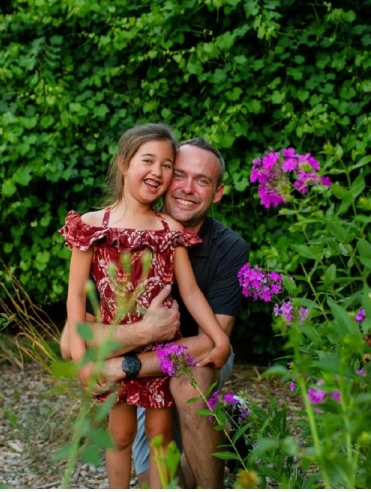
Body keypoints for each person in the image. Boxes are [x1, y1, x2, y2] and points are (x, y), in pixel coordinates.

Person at [61, 137, 249, 488]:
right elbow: (71, 335)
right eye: (178, 173)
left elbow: (204, 329)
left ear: (218, 192)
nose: (186, 187)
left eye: (203, 181)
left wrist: (119, 365)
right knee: (127, 444)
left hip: (178, 369)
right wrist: (143, 334)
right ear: (124, 164)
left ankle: (222, 441)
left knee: (178, 407)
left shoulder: (191, 239)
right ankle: (226, 424)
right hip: (136, 356)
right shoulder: (96, 228)